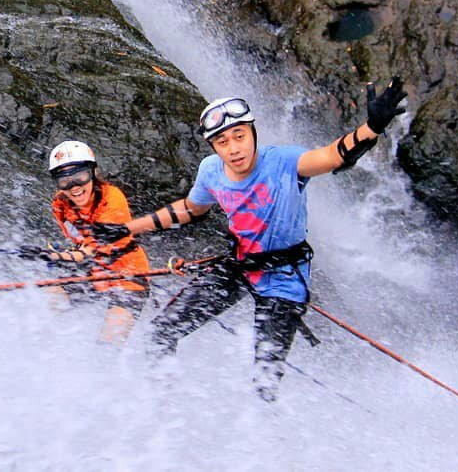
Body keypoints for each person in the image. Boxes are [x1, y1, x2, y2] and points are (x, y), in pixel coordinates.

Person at [90, 77, 408, 400]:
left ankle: (262, 420)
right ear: (213, 147)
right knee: (160, 333)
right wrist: (129, 229)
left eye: (239, 136)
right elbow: (190, 209)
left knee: (264, 383)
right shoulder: (211, 171)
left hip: (284, 277)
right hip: (238, 267)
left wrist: (371, 128)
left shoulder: (285, 162)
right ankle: (163, 405)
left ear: (253, 132)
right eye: (222, 141)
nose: (233, 148)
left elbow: (334, 156)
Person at [24, 140, 152, 344]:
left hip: (129, 275)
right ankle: (38, 346)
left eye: (80, 176)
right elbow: (79, 242)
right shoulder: (60, 204)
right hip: (93, 271)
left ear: (93, 172)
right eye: (64, 180)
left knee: (109, 343)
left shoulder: (112, 200)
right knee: (46, 302)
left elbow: (90, 249)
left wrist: (52, 256)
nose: (74, 187)